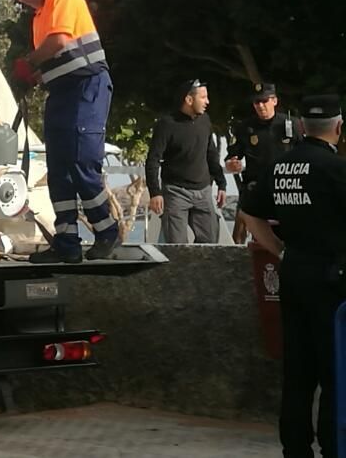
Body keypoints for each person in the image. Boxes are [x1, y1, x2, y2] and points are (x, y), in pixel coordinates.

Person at [241, 94, 346, 458]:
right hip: (331, 279)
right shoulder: (337, 170)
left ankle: (296, 447)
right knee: (335, 370)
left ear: (301, 126)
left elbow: (249, 215)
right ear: (338, 127)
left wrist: (280, 250)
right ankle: (334, 445)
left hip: (293, 271)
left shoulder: (280, 166)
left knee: (298, 370)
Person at [4, 0, 120, 264]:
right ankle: (66, 242)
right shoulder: (39, 17)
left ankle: (106, 230)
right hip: (63, 92)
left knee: (82, 159)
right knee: (59, 169)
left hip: (87, 87)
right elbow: (56, 59)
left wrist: (28, 64)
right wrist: (33, 77)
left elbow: (59, 41)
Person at [144, 79, 227, 243]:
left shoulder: (205, 120)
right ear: (189, 100)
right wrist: (155, 193)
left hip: (203, 191)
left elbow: (211, 154)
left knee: (210, 244)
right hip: (175, 193)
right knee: (177, 247)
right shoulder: (166, 124)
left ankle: (202, 270)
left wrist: (221, 184)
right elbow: (153, 160)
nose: (207, 102)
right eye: (203, 97)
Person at [225, 83, 302, 243]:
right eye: (256, 102)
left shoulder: (292, 124)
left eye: (264, 101)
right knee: (243, 232)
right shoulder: (245, 127)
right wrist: (232, 163)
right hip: (256, 187)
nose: (260, 106)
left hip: (286, 188)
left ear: (274, 101)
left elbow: (305, 152)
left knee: (289, 234)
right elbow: (232, 156)